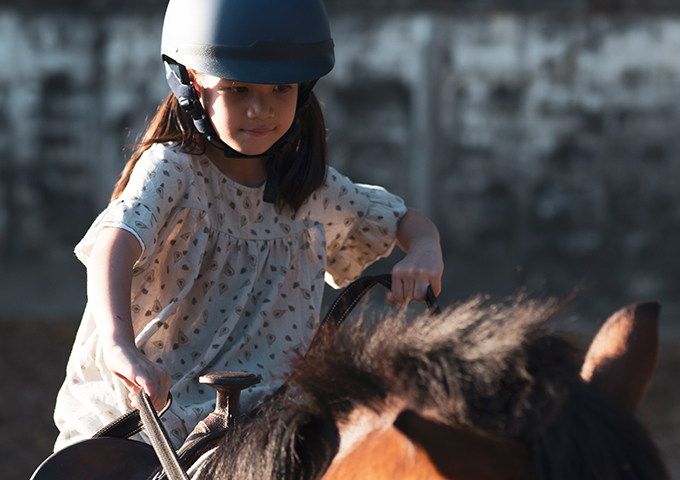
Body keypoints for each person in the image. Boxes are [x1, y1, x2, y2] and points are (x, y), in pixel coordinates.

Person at [53, 0, 443, 451]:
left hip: (272, 419)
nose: (261, 109)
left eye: (281, 88)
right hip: (155, 412)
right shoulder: (173, 171)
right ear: (192, 82)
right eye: (237, 89)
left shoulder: (310, 192)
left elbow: (406, 220)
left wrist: (424, 251)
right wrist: (120, 345)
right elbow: (113, 243)